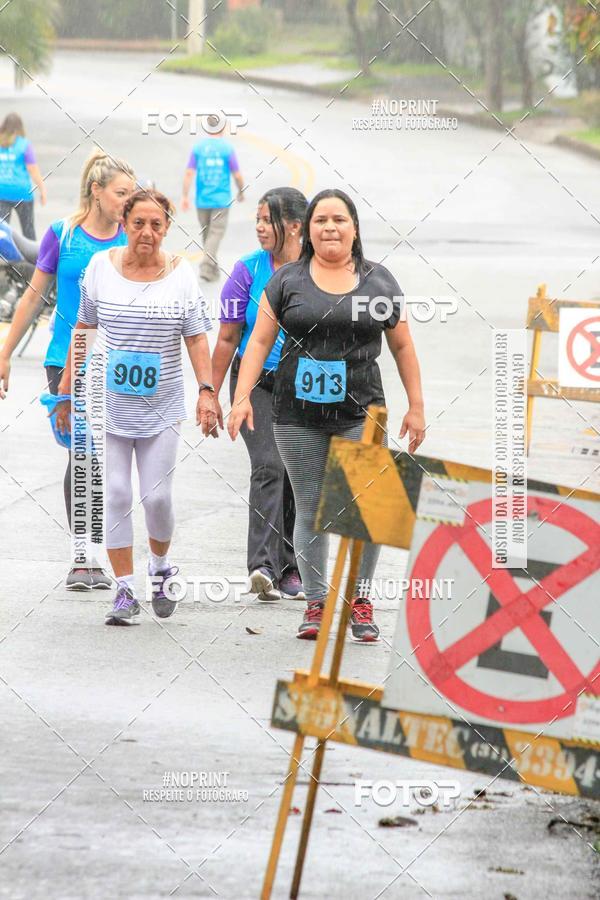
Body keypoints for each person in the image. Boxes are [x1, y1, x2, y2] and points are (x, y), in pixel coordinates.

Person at [228, 189, 425, 642]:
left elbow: (403, 346)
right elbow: (257, 343)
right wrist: (240, 398)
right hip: (297, 415)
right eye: (321, 220)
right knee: (314, 506)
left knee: (370, 508)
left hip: (362, 411)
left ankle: (360, 599)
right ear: (308, 229)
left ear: (354, 228)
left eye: (339, 219)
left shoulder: (379, 281)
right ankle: (316, 603)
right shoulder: (287, 281)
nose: (330, 228)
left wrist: (416, 406)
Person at [55, 189, 217, 626]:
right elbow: (84, 329)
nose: (147, 232)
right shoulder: (100, 270)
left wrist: (206, 391)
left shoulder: (181, 276)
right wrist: (66, 393)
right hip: (108, 406)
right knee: (118, 494)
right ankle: (125, 590)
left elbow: (197, 337)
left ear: (167, 228)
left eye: (156, 224)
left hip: (161, 407)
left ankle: (160, 569)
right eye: (138, 223)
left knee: (158, 498)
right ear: (124, 224)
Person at [0, 150, 136, 589]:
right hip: (68, 357)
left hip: (120, 362)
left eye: (132, 194)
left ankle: (102, 550)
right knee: (84, 453)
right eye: (121, 193)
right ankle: (84, 555)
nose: (128, 202)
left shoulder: (132, 237)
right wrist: (3, 354)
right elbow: (32, 297)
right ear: (96, 191)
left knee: (109, 458)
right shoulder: (64, 234)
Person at [213, 187, 308, 602]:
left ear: (294, 226)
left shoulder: (319, 270)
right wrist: (209, 394)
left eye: (267, 220)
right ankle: (262, 566)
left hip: (306, 388)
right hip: (257, 384)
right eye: (256, 219)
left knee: (296, 474)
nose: (259, 227)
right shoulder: (246, 271)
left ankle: (290, 565)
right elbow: (228, 338)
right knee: (269, 463)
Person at [181, 117, 244, 282]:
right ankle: (207, 265)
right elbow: (236, 174)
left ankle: (211, 269)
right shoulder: (227, 148)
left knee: (208, 234)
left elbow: (189, 173)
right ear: (222, 128)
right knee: (215, 234)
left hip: (202, 199)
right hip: (221, 199)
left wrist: (185, 196)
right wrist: (241, 191)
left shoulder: (198, 148)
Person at [0, 113, 47, 239]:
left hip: (2, 193)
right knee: (28, 231)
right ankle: (34, 258)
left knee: (2, 233)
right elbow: (33, 170)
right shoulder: (25, 145)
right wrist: (42, 190)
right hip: (22, 192)